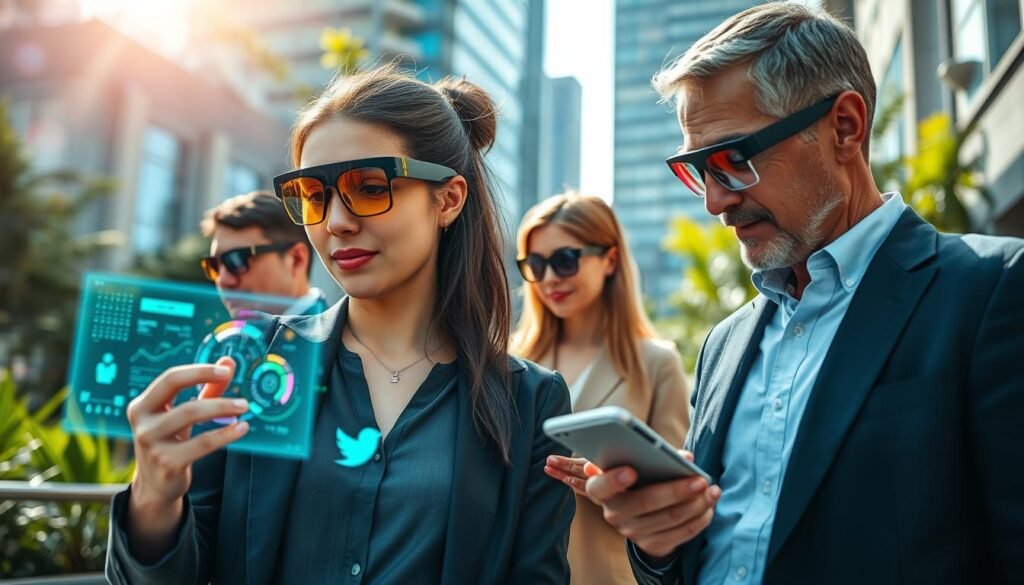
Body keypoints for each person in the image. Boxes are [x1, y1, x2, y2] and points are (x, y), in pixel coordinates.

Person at [580, 4, 1024, 584]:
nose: (714, 202)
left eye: (733, 160)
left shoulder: (990, 291)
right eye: (697, 169)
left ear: (844, 126)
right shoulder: (724, 344)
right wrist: (658, 545)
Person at [105, 66, 575, 584]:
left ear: (447, 199)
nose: (335, 222)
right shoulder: (246, 361)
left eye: (370, 187)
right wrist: (153, 499)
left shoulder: (529, 401)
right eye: (312, 195)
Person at [511, 192, 689, 585]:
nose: (550, 278)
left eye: (565, 260)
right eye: (536, 265)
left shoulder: (657, 363)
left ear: (609, 259)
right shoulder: (508, 363)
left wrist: (607, 481)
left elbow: (673, 497)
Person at [199, 191, 328, 316]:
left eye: (236, 260)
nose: (223, 280)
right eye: (213, 265)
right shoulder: (235, 335)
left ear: (296, 259)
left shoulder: (336, 336)